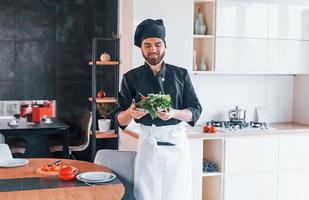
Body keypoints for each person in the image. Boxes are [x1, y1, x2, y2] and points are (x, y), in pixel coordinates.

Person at [114, 19, 202, 200]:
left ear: (165, 46)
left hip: (176, 147)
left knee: (177, 195)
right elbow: (120, 119)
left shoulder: (181, 75)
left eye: (157, 44)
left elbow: (195, 111)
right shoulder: (131, 78)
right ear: (141, 48)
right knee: (146, 195)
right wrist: (130, 113)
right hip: (148, 147)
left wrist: (174, 113)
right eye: (147, 45)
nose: (152, 49)